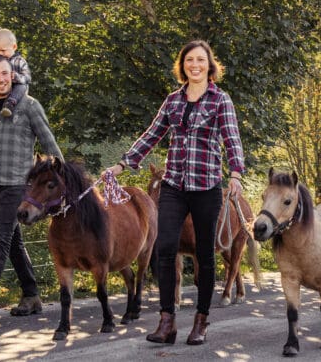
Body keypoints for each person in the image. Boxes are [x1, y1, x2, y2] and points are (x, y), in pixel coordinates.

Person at [102, 40, 245, 346]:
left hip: (206, 187)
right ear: (182, 66)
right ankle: (167, 321)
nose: (195, 65)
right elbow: (151, 135)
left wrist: (235, 173)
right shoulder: (172, 101)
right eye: (189, 60)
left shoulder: (220, 100)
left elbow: (232, 139)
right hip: (174, 186)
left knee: (205, 256)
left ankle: (201, 321)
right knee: (164, 249)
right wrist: (123, 164)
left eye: (200, 60)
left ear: (209, 65)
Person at [0, 54, 63, 324]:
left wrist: (62, 179)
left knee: (0, 239)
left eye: (4, 74)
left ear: (12, 75)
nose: (1, 79)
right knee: (13, 242)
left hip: (18, 185)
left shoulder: (29, 106)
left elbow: (50, 146)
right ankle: (32, 295)